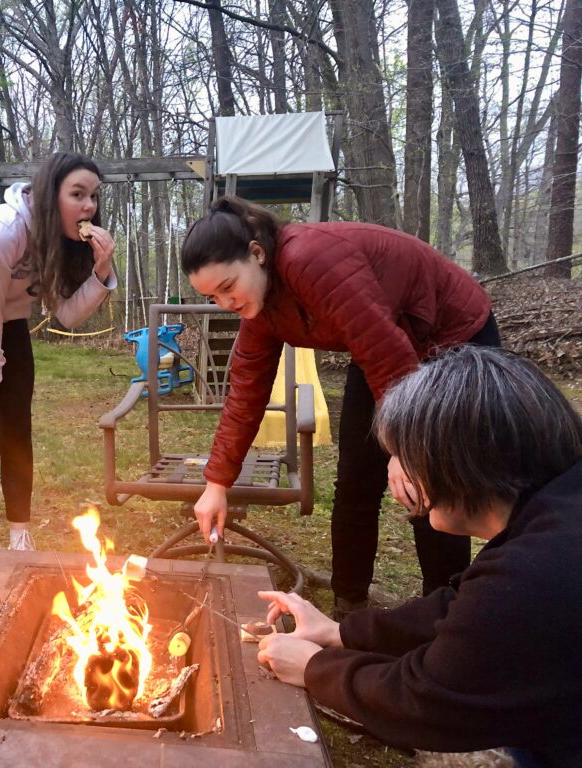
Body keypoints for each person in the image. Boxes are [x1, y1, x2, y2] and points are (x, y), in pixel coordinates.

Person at [256, 346, 582, 766]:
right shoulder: (553, 515)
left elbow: (426, 698)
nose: (395, 471)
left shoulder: (535, 574)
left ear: (460, 462)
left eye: (404, 455)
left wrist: (314, 668)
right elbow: (462, 608)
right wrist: (340, 634)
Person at [181, 196, 500, 617]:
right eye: (213, 297)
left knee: (432, 480)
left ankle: (444, 613)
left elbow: (385, 348)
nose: (226, 304)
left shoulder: (310, 258)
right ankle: (349, 609)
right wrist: (217, 483)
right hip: (382, 346)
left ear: (257, 254)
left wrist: (407, 449)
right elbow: (244, 393)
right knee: (355, 479)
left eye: (227, 287)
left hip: (451, 334)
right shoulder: (261, 307)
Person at [0, 152, 117, 563]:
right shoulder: (1, 231)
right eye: (77, 194)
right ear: (51, 195)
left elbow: (66, 314)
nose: (88, 206)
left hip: (6, 315)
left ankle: (21, 534)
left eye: (94, 196)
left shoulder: (64, 240)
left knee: (18, 428)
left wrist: (101, 273)